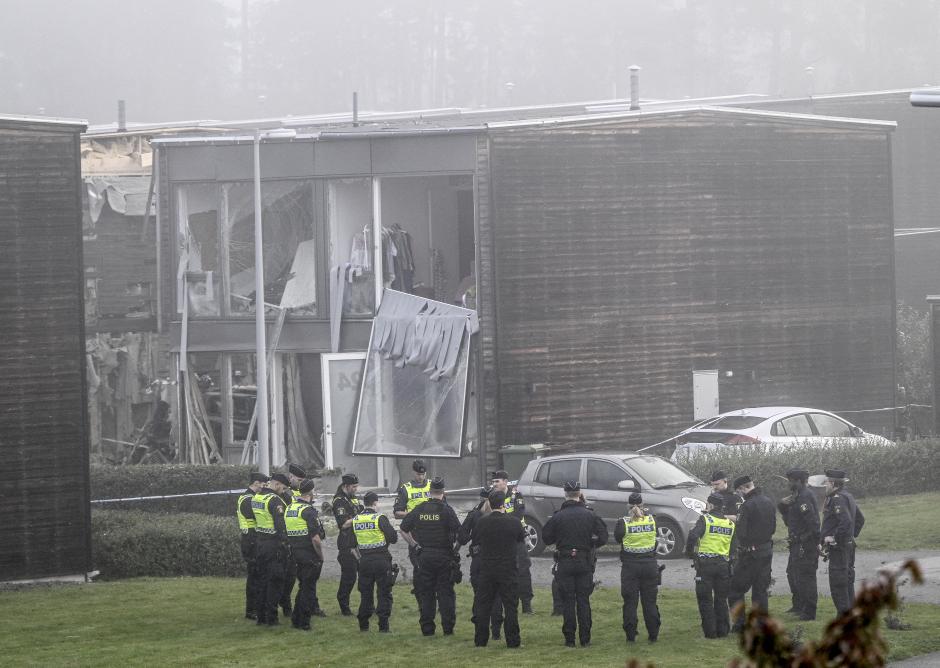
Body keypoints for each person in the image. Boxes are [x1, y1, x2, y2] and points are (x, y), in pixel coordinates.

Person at [542, 480, 609, 647]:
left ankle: (569, 639)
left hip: (564, 560)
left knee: (568, 601)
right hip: (584, 561)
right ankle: (585, 639)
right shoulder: (590, 515)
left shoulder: (558, 516)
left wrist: (560, 539)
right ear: (579, 494)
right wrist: (591, 544)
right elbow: (603, 537)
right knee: (583, 600)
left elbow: (546, 538)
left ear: (565, 494)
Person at [400, 476, 462, 636]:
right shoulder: (447, 510)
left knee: (426, 593)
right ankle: (448, 629)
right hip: (444, 556)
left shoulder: (420, 509)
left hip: (424, 556)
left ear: (429, 491)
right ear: (443, 492)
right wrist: (455, 549)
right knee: (446, 593)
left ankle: (427, 629)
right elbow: (460, 533)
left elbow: (403, 529)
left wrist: (415, 546)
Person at [472, 490, 526, 648]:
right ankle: (513, 641)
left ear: (489, 503)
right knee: (510, 606)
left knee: (483, 605)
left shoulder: (482, 522)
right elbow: (520, 540)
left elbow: (476, 540)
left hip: (487, 567)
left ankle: (480, 640)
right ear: (503, 504)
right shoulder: (514, 522)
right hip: (508, 568)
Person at [728, 475, 776, 631]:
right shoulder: (768, 502)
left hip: (750, 554)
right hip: (766, 550)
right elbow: (774, 528)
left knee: (735, 589)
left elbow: (741, 533)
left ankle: (739, 624)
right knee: (760, 590)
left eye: (739, 491)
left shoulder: (746, 506)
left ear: (742, 488)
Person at [458, 486, 505, 641]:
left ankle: (479, 630)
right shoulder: (503, 517)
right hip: (498, 560)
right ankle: (496, 631)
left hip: (479, 560)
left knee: (480, 596)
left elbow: (462, 537)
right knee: (497, 595)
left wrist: (473, 535)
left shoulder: (474, 516)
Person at [686, 492, 735, 638]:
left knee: (705, 599)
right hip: (723, 565)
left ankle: (710, 632)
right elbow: (733, 546)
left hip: (705, 566)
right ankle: (723, 630)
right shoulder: (730, 524)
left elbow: (693, 535)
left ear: (711, 505)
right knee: (721, 599)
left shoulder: (705, 519)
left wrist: (690, 553)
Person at [615, 491, 662, 643]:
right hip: (649, 565)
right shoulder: (652, 520)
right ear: (643, 505)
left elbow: (617, 538)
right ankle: (653, 635)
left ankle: (630, 636)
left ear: (628, 505)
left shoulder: (623, 522)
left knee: (630, 602)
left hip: (630, 567)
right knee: (649, 602)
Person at [820, 468, 865, 615]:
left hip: (839, 548)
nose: (825, 485)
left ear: (833, 483)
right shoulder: (848, 496)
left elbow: (845, 522)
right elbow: (860, 519)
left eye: (826, 482)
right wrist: (851, 536)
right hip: (848, 546)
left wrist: (834, 538)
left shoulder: (838, 498)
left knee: (838, 583)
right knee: (847, 580)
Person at [352, 491, 399, 632]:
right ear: (375, 503)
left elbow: (352, 545)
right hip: (381, 560)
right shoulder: (379, 518)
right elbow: (393, 537)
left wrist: (360, 559)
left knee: (366, 593)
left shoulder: (356, 520)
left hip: (364, 561)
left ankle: (363, 624)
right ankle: (383, 626)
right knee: (384, 593)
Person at [777, 468, 820, 620]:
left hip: (805, 544)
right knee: (793, 574)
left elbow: (813, 524)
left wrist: (807, 540)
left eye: (791, 481)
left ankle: (809, 611)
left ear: (800, 481)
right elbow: (791, 521)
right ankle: (798, 605)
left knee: (806, 577)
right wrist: (782, 508)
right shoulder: (797, 496)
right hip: (796, 543)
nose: (789, 483)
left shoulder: (804, 497)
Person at [285, 478, 325, 631]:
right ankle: (304, 622)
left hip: (294, 553)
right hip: (309, 554)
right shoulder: (308, 511)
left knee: (303, 587)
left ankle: (296, 618)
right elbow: (315, 538)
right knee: (308, 589)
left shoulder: (290, 508)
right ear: (311, 492)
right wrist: (320, 556)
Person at [491, 470, 534, 614]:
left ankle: (526, 605)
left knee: (523, 571)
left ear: (505, 481)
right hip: (500, 539)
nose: (494, 484)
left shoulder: (516, 495)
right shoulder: (492, 496)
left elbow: (518, 514)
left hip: (517, 538)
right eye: (493, 482)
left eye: (497, 481)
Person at [251, 473, 288, 625]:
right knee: (275, 582)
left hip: (261, 543)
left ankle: (261, 616)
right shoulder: (275, 501)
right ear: (277, 484)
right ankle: (272, 618)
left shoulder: (257, 497)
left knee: (262, 581)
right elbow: (280, 526)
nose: (284, 491)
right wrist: (286, 542)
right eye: (283, 488)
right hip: (274, 546)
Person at [394, 459, 432, 598]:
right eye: (418, 474)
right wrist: (413, 514)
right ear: (413, 472)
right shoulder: (406, 488)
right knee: (418, 565)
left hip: (432, 530)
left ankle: (431, 593)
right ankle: (419, 592)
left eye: (423, 474)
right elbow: (397, 513)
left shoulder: (432, 485)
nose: (421, 477)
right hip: (414, 531)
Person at [236, 471, 268, 620]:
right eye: (263, 484)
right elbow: (257, 516)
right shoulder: (248, 500)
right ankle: (252, 610)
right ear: (256, 483)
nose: (264, 486)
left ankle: (257, 607)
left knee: (258, 575)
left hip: (253, 540)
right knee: (254, 577)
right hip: (251, 540)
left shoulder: (250, 497)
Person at [332, 472, 364, 615]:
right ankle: (343, 604)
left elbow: (359, 510)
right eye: (353, 486)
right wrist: (360, 518)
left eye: (357, 486)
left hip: (358, 541)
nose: (356, 489)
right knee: (349, 577)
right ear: (346, 486)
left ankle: (367, 605)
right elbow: (344, 524)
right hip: (347, 543)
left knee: (364, 575)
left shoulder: (352, 498)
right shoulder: (339, 501)